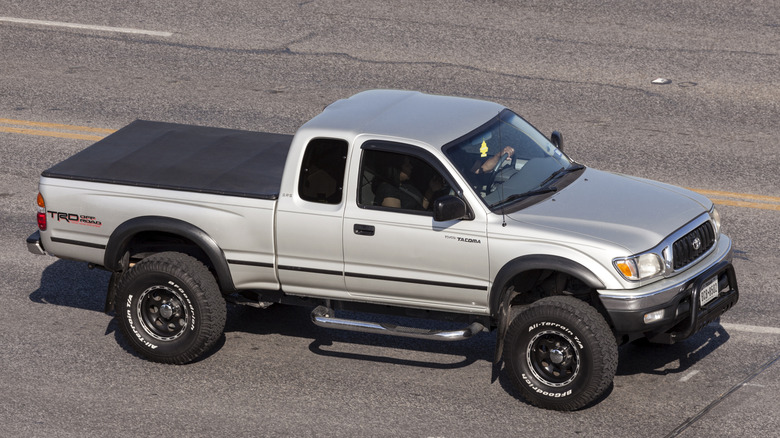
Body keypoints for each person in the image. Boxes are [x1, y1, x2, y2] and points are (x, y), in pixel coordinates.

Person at [375, 155, 445, 210]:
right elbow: (396, 219)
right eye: (407, 165)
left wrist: (431, 190)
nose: (411, 167)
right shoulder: (388, 190)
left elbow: (420, 208)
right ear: (397, 169)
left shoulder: (406, 185)